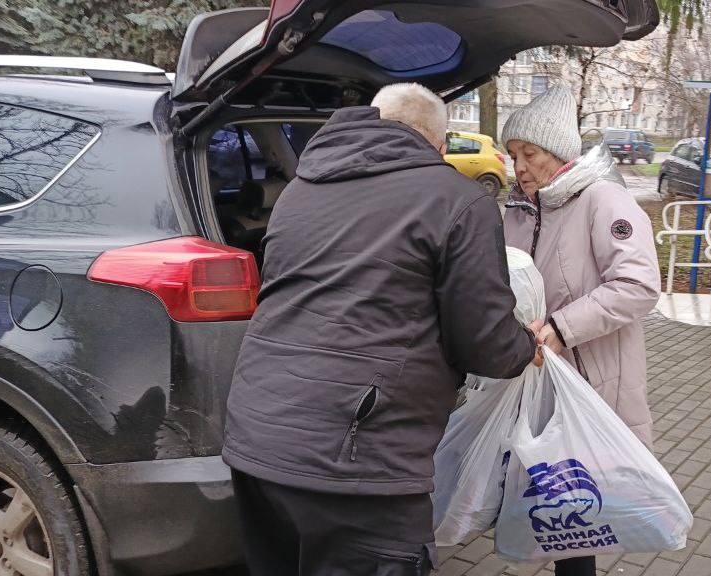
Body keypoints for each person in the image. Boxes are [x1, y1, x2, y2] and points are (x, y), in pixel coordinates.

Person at [222, 83, 540, 575]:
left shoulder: (300, 191)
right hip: (359, 463)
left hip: (257, 440)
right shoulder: (457, 200)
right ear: (438, 145)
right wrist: (526, 344)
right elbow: (487, 345)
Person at [500, 87, 662, 576]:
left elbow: (638, 285)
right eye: (513, 156)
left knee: (579, 515)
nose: (520, 167)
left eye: (530, 153)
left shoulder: (602, 200)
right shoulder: (518, 209)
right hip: (535, 378)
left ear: (559, 151)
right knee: (556, 504)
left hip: (590, 383)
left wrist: (559, 328)